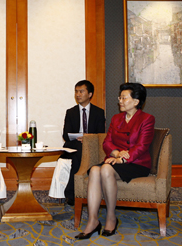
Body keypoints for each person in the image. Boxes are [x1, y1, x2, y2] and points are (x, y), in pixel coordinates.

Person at [75, 83, 155, 240]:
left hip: (136, 163)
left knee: (104, 169)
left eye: (124, 98)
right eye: (120, 97)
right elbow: (107, 142)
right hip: (114, 159)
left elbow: (142, 146)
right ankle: (93, 220)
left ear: (136, 101)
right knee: (95, 170)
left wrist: (122, 159)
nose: (120, 101)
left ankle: (111, 217)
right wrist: (117, 153)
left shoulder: (147, 119)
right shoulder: (116, 118)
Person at [62, 80, 105, 205]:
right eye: (76, 91)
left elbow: (100, 134)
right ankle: (81, 190)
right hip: (74, 145)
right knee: (79, 148)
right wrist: (80, 138)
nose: (78, 94)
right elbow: (66, 135)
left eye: (81, 91)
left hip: (90, 145)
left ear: (90, 94)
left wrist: (88, 137)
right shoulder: (71, 112)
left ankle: (72, 194)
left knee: (80, 153)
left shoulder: (99, 112)